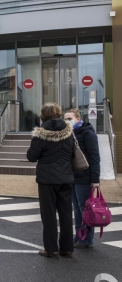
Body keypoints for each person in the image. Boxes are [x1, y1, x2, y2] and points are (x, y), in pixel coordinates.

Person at [27, 103, 75, 258]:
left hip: (47, 178)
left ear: (43, 115)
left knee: (48, 215)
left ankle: (51, 248)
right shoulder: (69, 132)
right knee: (66, 213)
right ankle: (67, 248)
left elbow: (31, 156)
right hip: (67, 176)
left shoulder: (41, 133)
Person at [64, 108, 100, 249]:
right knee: (77, 208)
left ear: (78, 119)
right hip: (73, 176)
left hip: (84, 177)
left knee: (85, 208)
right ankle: (79, 235)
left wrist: (95, 179)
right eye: (65, 119)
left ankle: (87, 238)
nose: (67, 121)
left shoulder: (87, 133)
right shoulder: (70, 134)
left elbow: (94, 157)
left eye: (69, 119)